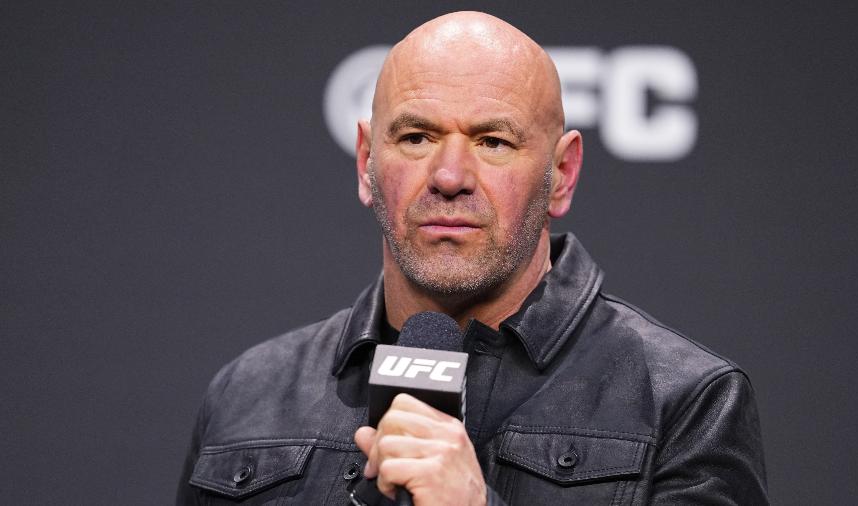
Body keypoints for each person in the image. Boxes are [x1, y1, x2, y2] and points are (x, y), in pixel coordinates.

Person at [177, 11, 767, 505]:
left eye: (492, 142)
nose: (450, 176)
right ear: (365, 163)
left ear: (562, 175)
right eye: (416, 137)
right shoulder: (247, 397)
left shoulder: (685, 402)